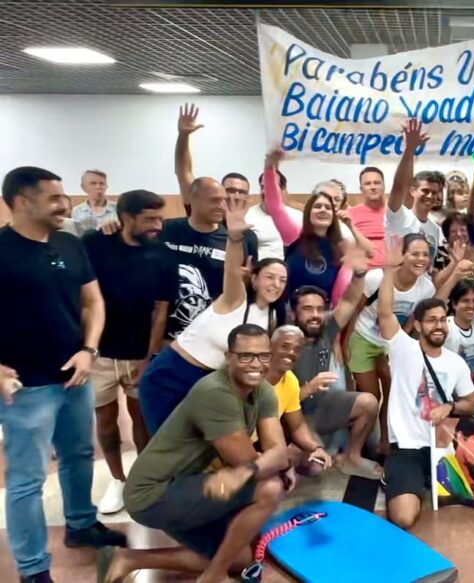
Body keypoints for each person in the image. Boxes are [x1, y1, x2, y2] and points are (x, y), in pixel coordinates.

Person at [1, 166, 126, 583]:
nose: (66, 204)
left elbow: (93, 301)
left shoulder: (70, 244)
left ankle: (80, 524)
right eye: (54, 198)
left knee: (78, 455)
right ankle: (33, 568)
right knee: (27, 480)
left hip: (76, 377)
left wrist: (89, 350)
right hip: (25, 388)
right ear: (22, 200)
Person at [105, 324, 290, 583]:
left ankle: (131, 558)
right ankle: (213, 577)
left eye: (263, 356)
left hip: (192, 484)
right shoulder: (215, 392)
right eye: (246, 355)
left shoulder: (264, 392)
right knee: (269, 488)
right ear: (229, 358)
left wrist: (254, 468)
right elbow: (250, 462)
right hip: (152, 493)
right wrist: (253, 469)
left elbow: (278, 454)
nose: (255, 364)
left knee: (241, 559)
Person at [139, 197, 286, 433]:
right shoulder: (235, 298)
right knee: (168, 449)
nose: (276, 284)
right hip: (171, 375)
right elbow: (230, 268)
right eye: (270, 277)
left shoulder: (273, 317)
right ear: (254, 278)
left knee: (198, 451)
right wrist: (235, 238)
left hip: (212, 385)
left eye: (282, 280)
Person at [82, 189, 177, 515]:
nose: (158, 225)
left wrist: (148, 358)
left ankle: (141, 479)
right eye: (150, 219)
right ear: (126, 218)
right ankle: (117, 479)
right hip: (101, 355)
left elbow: (160, 310)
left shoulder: (163, 255)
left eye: (160, 218)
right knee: (106, 424)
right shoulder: (94, 245)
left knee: (143, 422)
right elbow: (84, 298)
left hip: (140, 354)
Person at [377, 240, 474, 530]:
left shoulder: (455, 362)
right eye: (431, 320)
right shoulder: (402, 349)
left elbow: (471, 403)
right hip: (407, 449)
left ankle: (420, 484)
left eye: (442, 320)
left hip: (443, 449)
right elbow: (385, 313)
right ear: (418, 325)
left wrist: (450, 406)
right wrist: (388, 269)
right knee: (405, 518)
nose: (439, 326)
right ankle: (396, 478)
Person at [350, 233, 464, 451]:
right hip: (364, 337)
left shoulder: (425, 287)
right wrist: (341, 343)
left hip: (391, 339)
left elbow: (418, 318)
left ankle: (386, 442)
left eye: (425, 254)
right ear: (402, 255)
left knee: (393, 394)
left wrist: (396, 348)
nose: (421, 259)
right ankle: (361, 445)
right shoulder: (376, 278)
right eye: (414, 253)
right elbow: (354, 308)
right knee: (370, 398)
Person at [290, 248, 382, 478]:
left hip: (324, 408)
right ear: (293, 314)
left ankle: (352, 457)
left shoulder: (326, 331)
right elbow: (275, 403)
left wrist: (359, 275)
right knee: (314, 468)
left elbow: (350, 300)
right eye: (307, 309)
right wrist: (308, 388)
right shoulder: (285, 342)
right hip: (296, 419)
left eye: (320, 309)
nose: (315, 315)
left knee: (369, 403)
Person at [262, 150, 370, 301]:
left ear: (334, 215)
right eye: (318, 206)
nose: (323, 210)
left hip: (322, 315)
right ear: (308, 212)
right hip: (289, 309)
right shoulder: (294, 234)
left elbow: (343, 288)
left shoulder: (341, 246)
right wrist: (270, 167)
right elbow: (275, 206)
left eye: (328, 207)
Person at [162, 177, 259, 338]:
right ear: (193, 200)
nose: (221, 206)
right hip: (168, 334)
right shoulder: (165, 229)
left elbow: (246, 286)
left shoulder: (244, 237)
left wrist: (247, 280)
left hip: (213, 333)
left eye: (224, 201)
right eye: (214, 200)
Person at [263, 326, 335, 476]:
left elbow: (297, 426)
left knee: (315, 463)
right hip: (244, 444)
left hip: (269, 440)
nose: (291, 352)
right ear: (270, 347)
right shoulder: (254, 378)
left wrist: (316, 448)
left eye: (297, 349)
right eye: (285, 346)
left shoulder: (290, 380)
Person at [173, 102, 253, 219]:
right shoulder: (202, 210)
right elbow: (184, 172)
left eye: (242, 192)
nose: (236, 196)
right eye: (230, 190)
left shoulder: (250, 224)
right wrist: (183, 136)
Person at [386, 119, 444, 266]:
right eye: (425, 190)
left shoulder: (436, 230)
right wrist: (409, 150)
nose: (430, 196)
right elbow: (399, 186)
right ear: (413, 191)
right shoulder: (399, 214)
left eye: (434, 192)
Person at [444, 281, 474, 391]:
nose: (471, 306)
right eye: (465, 301)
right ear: (454, 304)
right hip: (450, 396)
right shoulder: (445, 327)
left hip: (473, 395)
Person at [348, 165, 389, 268]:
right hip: (363, 273)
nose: (373, 187)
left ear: (384, 186)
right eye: (367, 184)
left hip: (394, 272)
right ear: (361, 189)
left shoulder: (395, 213)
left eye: (377, 183)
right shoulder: (349, 215)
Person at [70, 169, 118, 234]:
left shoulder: (118, 209)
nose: (98, 187)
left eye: (102, 183)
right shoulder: (75, 212)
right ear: (83, 187)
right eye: (93, 183)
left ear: (106, 186)